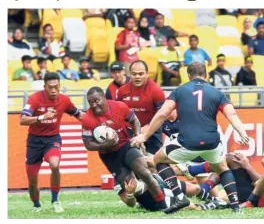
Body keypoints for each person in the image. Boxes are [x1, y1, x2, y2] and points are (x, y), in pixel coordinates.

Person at [130, 62, 250, 214]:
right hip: (212, 143)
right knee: (222, 168)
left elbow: (163, 113)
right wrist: (242, 133)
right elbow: (231, 114)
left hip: (187, 142)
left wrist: (144, 136)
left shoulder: (180, 91)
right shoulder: (217, 93)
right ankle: (235, 206)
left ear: (188, 76)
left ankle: (180, 197)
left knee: (158, 160)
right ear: (206, 75)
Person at [81, 87, 167, 211]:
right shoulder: (87, 119)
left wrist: (138, 136)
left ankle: (164, 204)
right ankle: (147, 202)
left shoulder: (120, 106)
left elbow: (135, 121)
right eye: (90, 102)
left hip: (126, 146)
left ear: (104, 98)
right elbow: (88, 145)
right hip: (110, 156)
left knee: (143, 172)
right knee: (132, 188)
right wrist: (106, 144)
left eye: (96, 100)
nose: (93, 105)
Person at [20, 72, 83, 213]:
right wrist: (41, 117)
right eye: (50, 87)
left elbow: (80, 115)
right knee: (32, 180)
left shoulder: (65, 100)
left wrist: (98, 124)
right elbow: (22, 119)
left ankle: (55, 201)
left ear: (59, 86)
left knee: (55, 164)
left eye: (56, 87)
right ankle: (36, 205)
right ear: (45, 87)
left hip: (52, 139)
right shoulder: (35, 98)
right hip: (34, 141)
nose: (54, 90)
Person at [117, 60, 165, 156]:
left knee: (153, 162)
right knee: (134, 163)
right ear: (130, 75)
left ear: (147, 74)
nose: (137, 77)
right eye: (134, 74)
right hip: (130, 131)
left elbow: (163, 114)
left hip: (152, 130)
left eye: (141, 74)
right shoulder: (122, 91)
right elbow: (119, 113)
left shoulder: (156, 90)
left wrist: (148, 128)